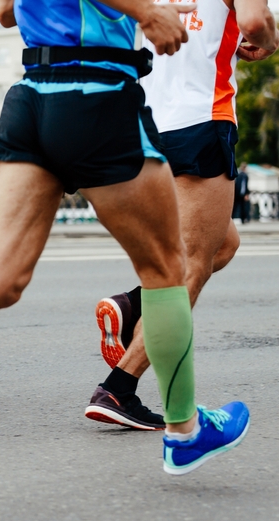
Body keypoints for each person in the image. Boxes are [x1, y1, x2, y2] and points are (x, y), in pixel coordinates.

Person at [0, 0, 250, 487]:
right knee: (166, 268)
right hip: (98, 91)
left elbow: (7, 11)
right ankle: (185, 431)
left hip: (33, 97)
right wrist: (145, 13)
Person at [86, 0, 275, 430]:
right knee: (189, 267)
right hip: (202, 119)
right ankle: (120, 387)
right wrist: (270, 39)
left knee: (224, 243)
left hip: (146, 119)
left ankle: (131, 304)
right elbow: (253, 21)